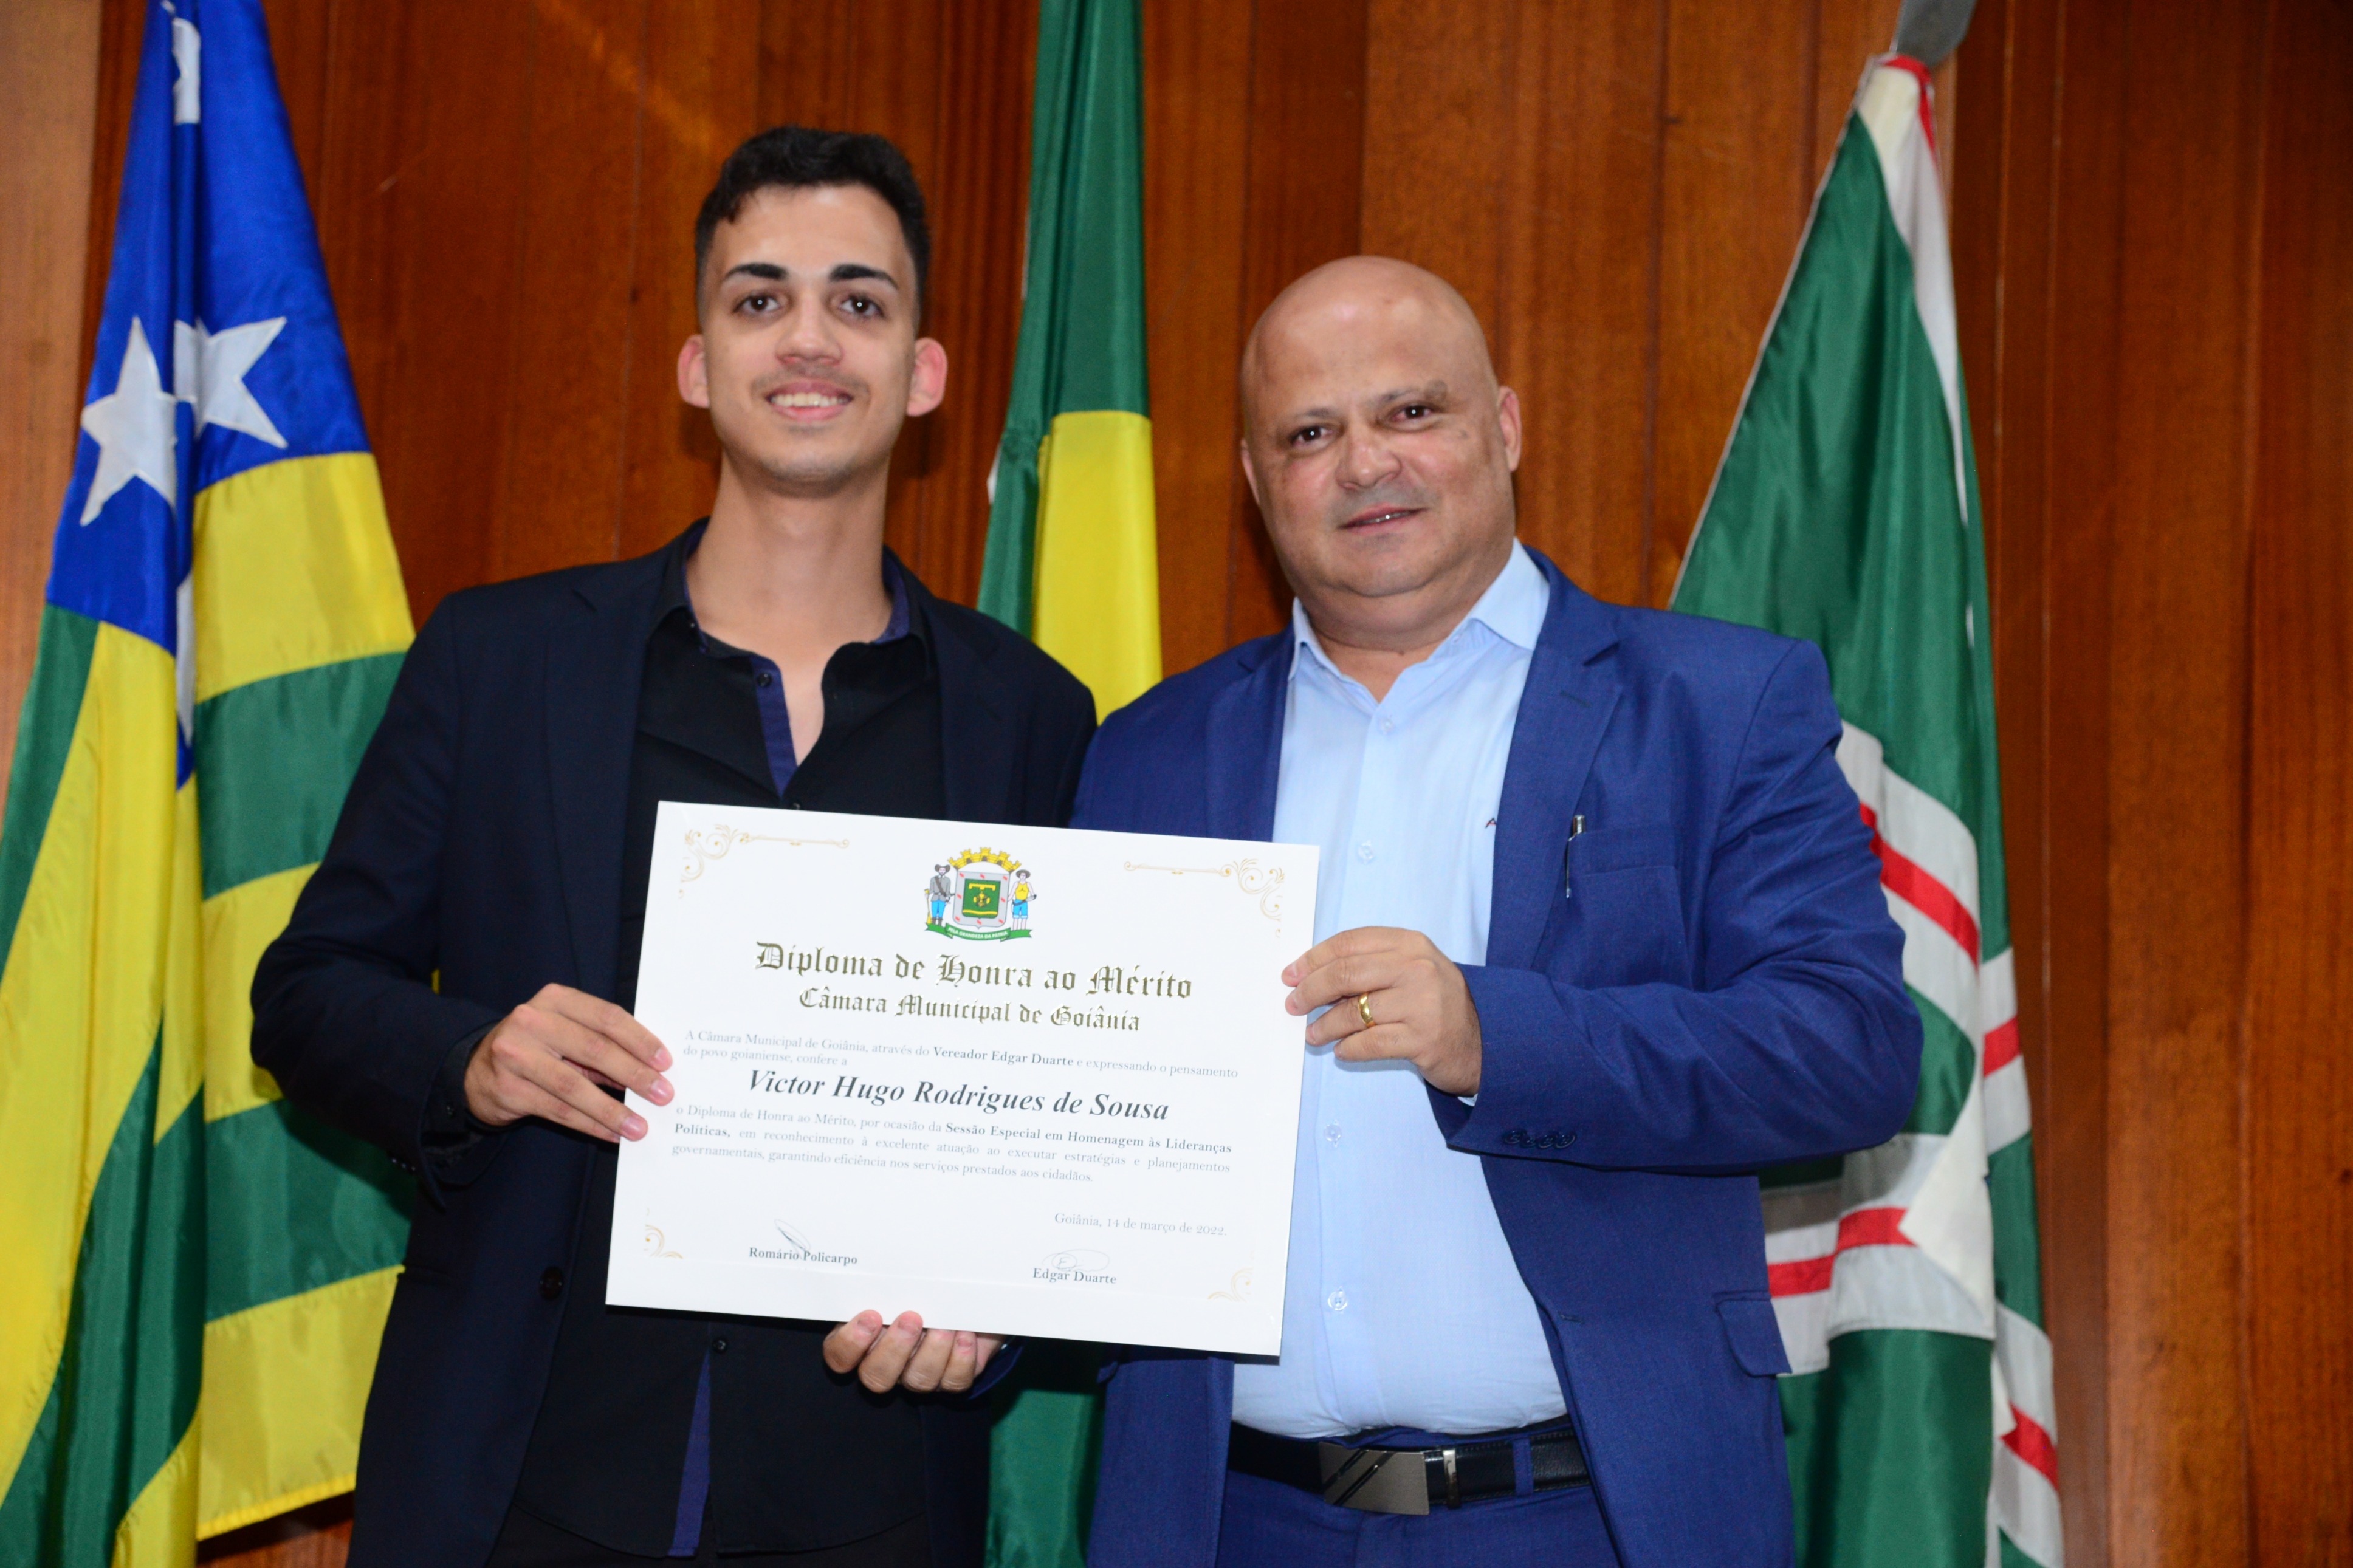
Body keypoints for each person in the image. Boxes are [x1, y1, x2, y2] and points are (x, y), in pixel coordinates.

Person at [251, 127, 1094, 1568]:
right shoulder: (502, 659)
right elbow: (308, 990)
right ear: (700, 364)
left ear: (925, 372)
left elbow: (1057, 1102)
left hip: (868, 1502)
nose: (809, 339)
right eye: (761, 298)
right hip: (520, 1483)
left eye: (859, 300)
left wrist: (990, 1321)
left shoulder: (1030, 712)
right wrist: (471, 1057)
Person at [1073, 258, 1921, 1567]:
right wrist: (960, 1298)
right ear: (1254, 479)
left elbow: (1849, 1052)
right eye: (1310, 433)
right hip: (1230, 1520)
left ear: (1506, 427)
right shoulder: (1148, 750)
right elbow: (1080, 1107)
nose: (1366, 462)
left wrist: (1495, 1036)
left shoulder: (1714, 705)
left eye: (1411, 412)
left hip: (1589, 1517)